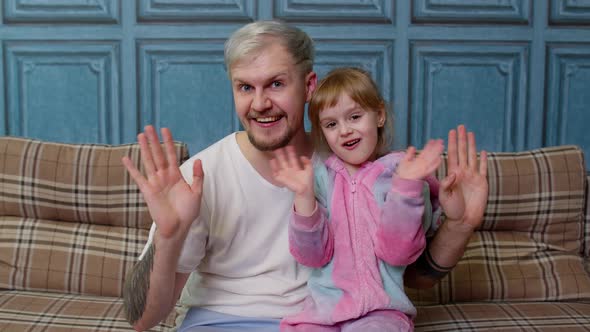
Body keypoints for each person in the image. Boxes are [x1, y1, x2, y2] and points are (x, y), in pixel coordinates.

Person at [121, 20, 489, 332]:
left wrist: (459, 225)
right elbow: (143, 321)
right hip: (219, 321)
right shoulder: (202, 176)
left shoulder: (352, 168)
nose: (260, 103)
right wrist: (168, 237)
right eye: (245, 87)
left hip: (321, 322)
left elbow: (403, 277)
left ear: (309, 86)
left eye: (276, 84)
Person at [270, 67, 445, 331]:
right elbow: (313, 256)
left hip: (381, 312)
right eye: (331, 124)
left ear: (379, 115)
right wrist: (304, 198)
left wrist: (405, 190)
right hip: (323, 311)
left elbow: (398, 254)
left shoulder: (403, 175)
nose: (344, 131)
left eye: (354, 117)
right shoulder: (319, 177)